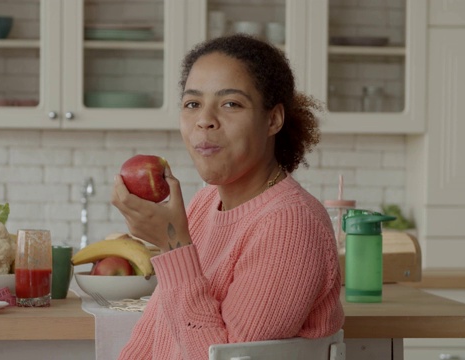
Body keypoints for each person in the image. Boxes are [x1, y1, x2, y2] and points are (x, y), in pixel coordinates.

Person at [111, 34, 344, 360]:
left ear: (273, 119)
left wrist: (172, 247)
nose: (204, 120)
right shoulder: (204, 204)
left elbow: (225, 356)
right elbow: (155, 333)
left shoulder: (292, 224)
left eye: (231, 103)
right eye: (192, 104)